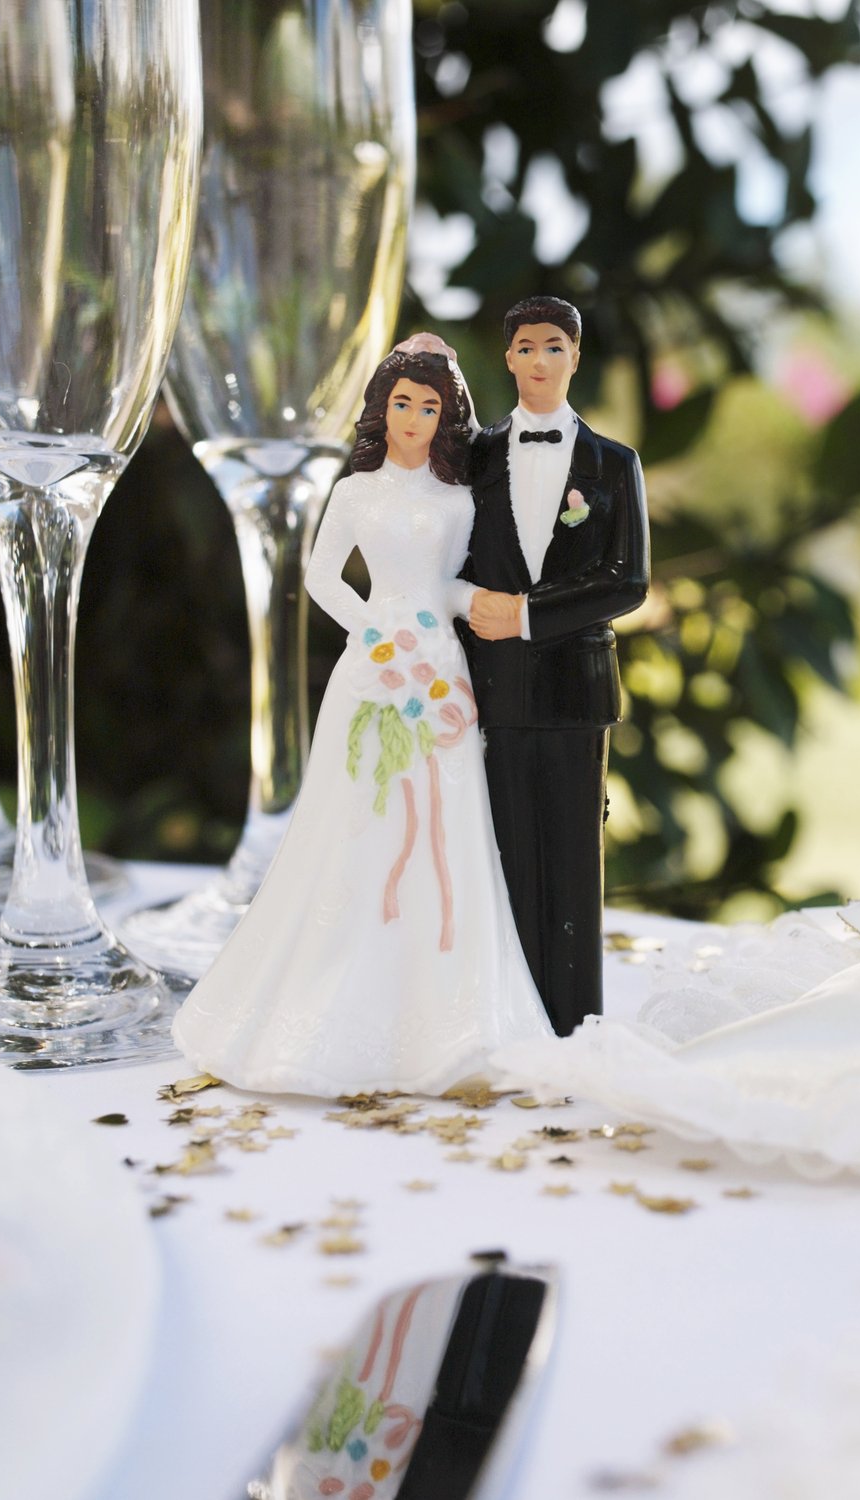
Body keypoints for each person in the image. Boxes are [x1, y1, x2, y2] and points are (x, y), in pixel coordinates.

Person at [171, 336, 547, 1097]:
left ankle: (446, 1011)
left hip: (438, 667)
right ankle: (325, 999)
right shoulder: (354, 493)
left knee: (445, 821)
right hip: (373, 666)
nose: (413, 418)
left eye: (429, 408)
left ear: (445, 419)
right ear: (383, 409)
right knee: (354, 815)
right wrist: (375, 631)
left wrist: (470, 605)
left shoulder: (457, 502)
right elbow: (320, 577)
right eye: (403, 403)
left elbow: (449, 583)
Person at [457, 297, 650, 1036]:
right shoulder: (473, 458)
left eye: (555, 347)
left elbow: (628, 581)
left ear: (575, 357)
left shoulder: (614, 464)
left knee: (573, 860)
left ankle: (572, 1023)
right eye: (527, 347)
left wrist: (528, 614)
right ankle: (508, 1020)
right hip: (495, 688)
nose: (540, 361)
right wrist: (471, 606)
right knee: (505, 853)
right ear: (508, 357)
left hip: (576, 691)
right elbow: (446, 553)